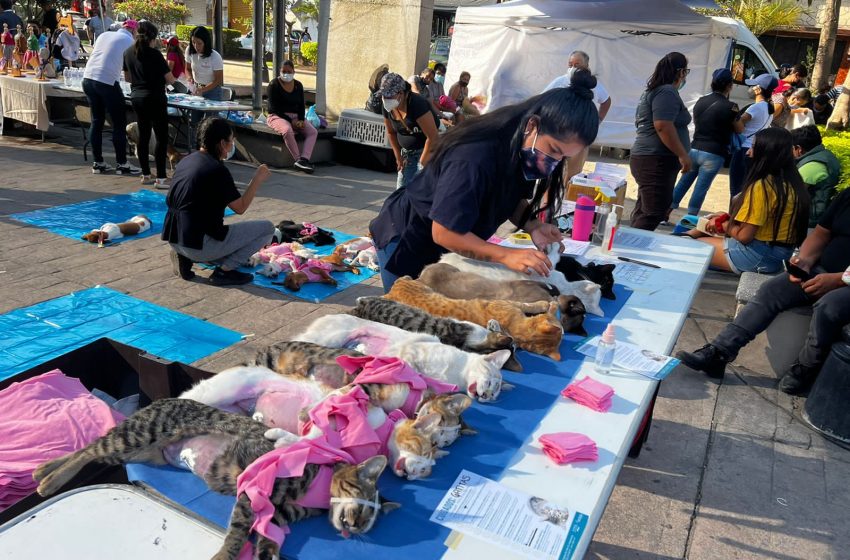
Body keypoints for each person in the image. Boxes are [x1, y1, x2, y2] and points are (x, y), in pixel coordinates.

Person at [369, 72, 600, 291]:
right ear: (532, 126)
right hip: (408, 239)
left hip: (450, 244)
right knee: (408, 315)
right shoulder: (474, 157)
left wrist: (533, 226)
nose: (554, 161)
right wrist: (504, 255)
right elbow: (444, 232)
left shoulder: (520, 147)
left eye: (563, 157)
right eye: (554, 149)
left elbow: (510, 196)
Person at [677, 189, 850, 395]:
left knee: (829, 307)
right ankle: (719, 353)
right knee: (773, 288)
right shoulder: (847, 196)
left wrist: (839, 279)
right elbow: (821, 234)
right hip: (822, 271)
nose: (748, 153)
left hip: (844, 284)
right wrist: (804, 261)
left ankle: (805, 369)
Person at [162, 118, 274, 286]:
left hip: (174, 237)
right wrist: (257, 179)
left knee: (206, 226)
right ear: (222, 143)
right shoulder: (216, 170)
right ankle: (224, 272)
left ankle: (184, 258)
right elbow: (240, 207)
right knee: (267, 228)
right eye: (231, 141)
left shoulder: (186, 160)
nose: (231, 145)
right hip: (198, 245)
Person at [688, 127, 810, 274]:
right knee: (700, 229)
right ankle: (688, 234)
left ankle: (684, 237)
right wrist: (726, 219)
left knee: (690, 247)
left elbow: (744, 236)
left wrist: (724, 224)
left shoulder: (763, 186)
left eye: (753, 147)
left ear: (765, 153)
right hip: (777, 254)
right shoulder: (793, 183)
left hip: (757, 256)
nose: (748, 152)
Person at [629, 52, 692, 231]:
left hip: (651, 158)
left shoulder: (655, 91)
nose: (685, 76)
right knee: (654, 211)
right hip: (655, 159)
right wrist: (682, 155)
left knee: (646, 209)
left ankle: (630, 246)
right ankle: (630, 251)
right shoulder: (666, 91)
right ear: (680, 72)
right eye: (686, 71)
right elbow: (663, 125)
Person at [669, 68, 738, 217]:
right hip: (715, 152)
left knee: (683, 183)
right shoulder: (731, 106)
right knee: (701, 188)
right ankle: (689, 219)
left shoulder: (701, 101)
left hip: (694, 148)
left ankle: (665, 213)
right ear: (729, 86)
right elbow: (739, 129)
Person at [82, 19, 142, 175]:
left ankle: (98, 162)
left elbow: (105, 56)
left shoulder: (104, 35)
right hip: (107, 81)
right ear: (134, 32)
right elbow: (133, 68)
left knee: (96, 120)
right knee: (119, 123)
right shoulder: (130, 41)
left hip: (88, 79)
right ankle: (122, 163)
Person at [543, 50, 612, 182]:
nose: (573, 68)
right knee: (552, 172)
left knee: (573, 175)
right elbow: (543, 98)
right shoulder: (561, 81)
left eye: (577, 65)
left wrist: (597, 120)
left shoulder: (593, 85)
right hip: (559, 133)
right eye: (570, 65)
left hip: (581, 135)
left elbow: (606, 101)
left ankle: (567, 197)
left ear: (586, 66)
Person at [123, 20, 176, 188]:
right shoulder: (155, 54)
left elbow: (127, 78)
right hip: (155, 97)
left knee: (144, 136)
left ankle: (146, 174)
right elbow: (170, 79)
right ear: (152, 37)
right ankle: (161, 178)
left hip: (137, 97)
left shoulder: (128, 53)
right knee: (161, 138)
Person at [380, 72, 440, 190]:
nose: (385, 99)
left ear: (401, 93)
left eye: (389, 96)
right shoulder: (387, 107)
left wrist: (421, 166)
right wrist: (398, 157)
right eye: (383, 95)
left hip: (427, 152)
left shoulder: (417, 104)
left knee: (419, 191)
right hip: (407, 154)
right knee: (401, 193)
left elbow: (433, 138)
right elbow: (391, 132)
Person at [729, 73, 776, 198]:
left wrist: (733, 113)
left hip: (743, 150)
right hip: (755, 150)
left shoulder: (756, 107)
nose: (751, 88)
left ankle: (733, 215)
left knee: (736, 189)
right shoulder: (769, 109)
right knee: (745, 188)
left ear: (758, 89)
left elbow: (739, 123)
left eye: (753, 85)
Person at [266, 59, 317, 173]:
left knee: (312, 132)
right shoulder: (273, 85)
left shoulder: (298, 85)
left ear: (294, 72)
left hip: (295, 117)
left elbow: (301, 105)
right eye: (284, 71)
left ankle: (304, 159)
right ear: (280, 71)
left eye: (289, 72)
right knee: (287, 130)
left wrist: (301, 119)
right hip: (277, 116)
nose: (286, 74)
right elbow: (273, 108)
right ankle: (297, 159)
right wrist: (290, 120)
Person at [790, 125, 841, 227]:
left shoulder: (811, 166)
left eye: (791, 148)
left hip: (811, 221)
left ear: (799, 148)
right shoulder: (825, 155)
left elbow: (790, 196)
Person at [186, 25, 224, 133]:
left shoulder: (215, 57)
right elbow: (187, 68)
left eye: (199, 43)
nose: (196, 46)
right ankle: (195, 147)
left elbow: (218, 80)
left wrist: (203, 89)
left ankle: (209, 148)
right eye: (193, 42)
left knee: (210, 125)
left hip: (213, 91)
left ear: (206, 42)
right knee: (194, 122)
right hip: (196, 89)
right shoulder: (190, 50)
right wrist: (189, 78)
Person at [772, 64, 807, 129]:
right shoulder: (788, 89)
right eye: (801, 79)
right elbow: (789, 109)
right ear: (796, 74)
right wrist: (802, 110)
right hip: (775, 123)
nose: (800, 81)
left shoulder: (775, 82)